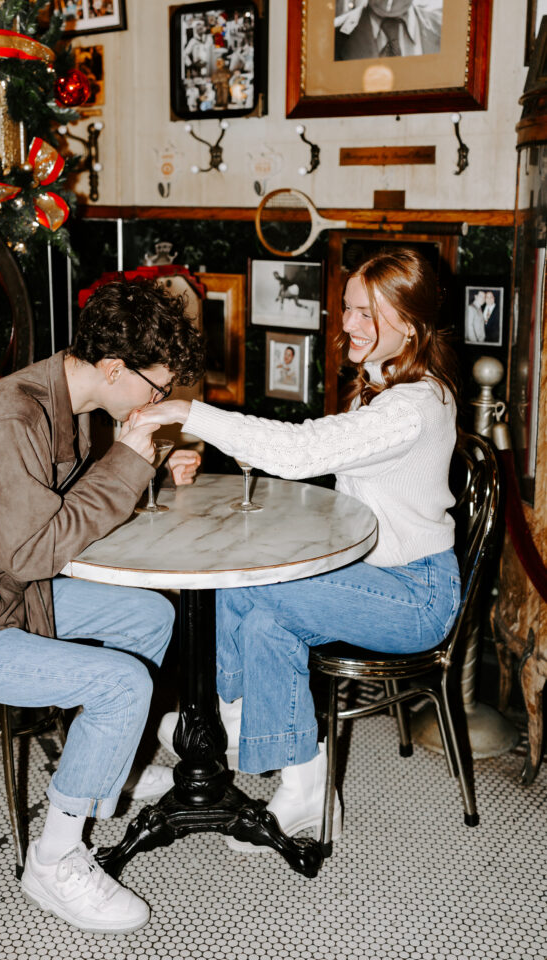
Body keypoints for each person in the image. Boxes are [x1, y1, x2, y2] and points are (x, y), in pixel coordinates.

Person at [0, 280, 205, 933]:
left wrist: (151, 455)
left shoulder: (67, 398)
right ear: (115, 369)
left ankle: (102, 763)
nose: (159, 402)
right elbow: (36, 553)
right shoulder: (12, 417)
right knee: (120, 683)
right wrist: (129, 461)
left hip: (1, 598)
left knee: (152, 616)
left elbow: (56, 509)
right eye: (156, 388)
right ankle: (52, 863)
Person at [141, 249, 461, 850]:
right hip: (375, 574)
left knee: (248, 581)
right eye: (348, 310)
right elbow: (325, 462)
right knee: (264, 622)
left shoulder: (411, 407)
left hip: (416, 595)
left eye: (368, 313)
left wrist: (189, 411)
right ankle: (305, 787)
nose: (350, 325)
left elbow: (302, 451)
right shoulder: (389, 383)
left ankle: (226, 721)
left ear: (412, 324)